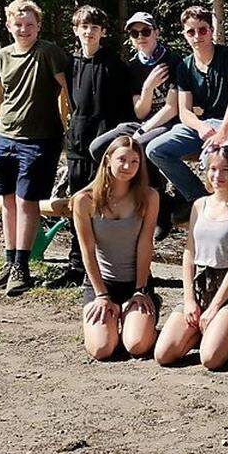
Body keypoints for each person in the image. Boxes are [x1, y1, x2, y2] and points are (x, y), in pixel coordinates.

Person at [0, 0, 69, 296]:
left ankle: (23, 265)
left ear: (38, 26)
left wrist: (67, 121)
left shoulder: (48, 53)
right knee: (6, 200)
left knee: (25, 201)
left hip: (40, 138)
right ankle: (9, 262)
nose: (24, 30)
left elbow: (67, 87)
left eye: (29, 25)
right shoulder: (1, 57)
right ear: (8, 25)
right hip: (6, 137)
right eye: (18, 25)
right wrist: (7, 121)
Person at [49, 5, 137, 290]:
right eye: (84, 27)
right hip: (77, 143)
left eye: (95, 28)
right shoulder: (70, 64)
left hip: (105, 149)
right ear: (76, 30)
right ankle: (76, 264)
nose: (89, 32)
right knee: (79, 203)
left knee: (106, 205)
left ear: (103, 32)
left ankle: (107, 268)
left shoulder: (115, 65)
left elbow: (126, 112)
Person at [154, 146, 228, 370]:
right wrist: (189, 299)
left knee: (210, 360)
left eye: (225, 170)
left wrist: (215, 307)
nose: (218, 176)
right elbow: (189, 252)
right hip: (201, 284)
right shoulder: (199, 205)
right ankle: (203, 332)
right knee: (164, 354)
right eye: (213, 169)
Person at [145, 6, 228, 218]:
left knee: (214, 156)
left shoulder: (227, 56)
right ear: (184, 35)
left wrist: (223, 133)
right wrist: (202, 127)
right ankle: (198, 197)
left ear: (211, 30)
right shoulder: (184, 66)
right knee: (155, 149)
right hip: (202, 125)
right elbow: (184, 111)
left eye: (202, 30)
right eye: (191, 32)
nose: (197, 36)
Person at [87, 12, 183, 240]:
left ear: (157, 33)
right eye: (134, 33)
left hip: (167, 123)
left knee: (138, 145)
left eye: (146, 31)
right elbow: (139, 110)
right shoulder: (132, 67)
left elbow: (172, 108)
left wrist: (144, 129)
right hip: (141, 122)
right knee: (99, 147)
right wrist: (148, 87)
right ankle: (133, 196)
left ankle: (159, 207)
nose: (141, 36)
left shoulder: (174, 61)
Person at [73, 136, 160, 360]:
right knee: (102, 349)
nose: (127, 167)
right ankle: (111, 319)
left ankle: (140, 316)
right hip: (102, 283)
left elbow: (145, 243)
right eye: (122, 159)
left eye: (134, 162)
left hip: (135, 282)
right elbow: (87, 250)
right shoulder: (84, 200)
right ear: (108, 160)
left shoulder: (149, 197)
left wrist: (140, 289)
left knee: (136, 345)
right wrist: (101, 294)